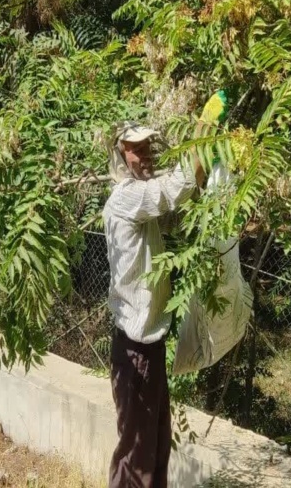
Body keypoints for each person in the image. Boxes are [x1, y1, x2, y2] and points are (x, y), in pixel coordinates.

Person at [102, 121, 205, 488]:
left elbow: (175, 190)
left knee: (157, 447)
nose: (144, 155)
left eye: (147, 147)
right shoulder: (126, 197)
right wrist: (204, 132)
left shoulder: (140, 195)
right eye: (135, 149)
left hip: (151, 349)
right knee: (136, 456)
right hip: (135, 353)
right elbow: (175, 188)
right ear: (120, 156)